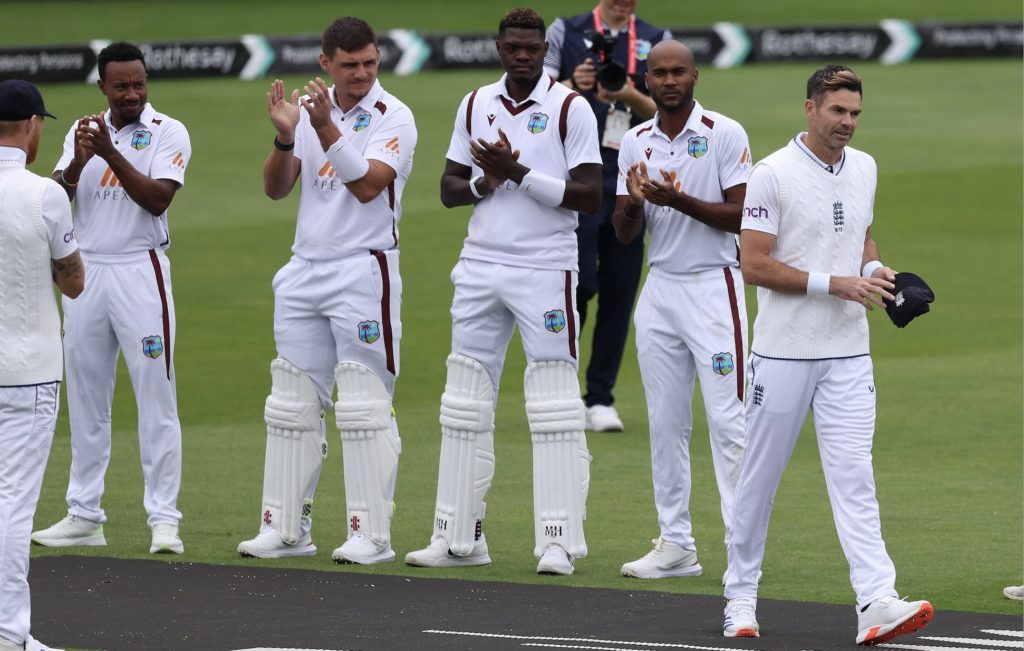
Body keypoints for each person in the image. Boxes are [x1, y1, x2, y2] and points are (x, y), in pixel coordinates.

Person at [722, 65, 934, 645]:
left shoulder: (865, 167)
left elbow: (860, 236)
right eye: (838, 111)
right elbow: (754, 264)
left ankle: (876, 601)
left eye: (856, 113)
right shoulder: (772, 174)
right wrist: (835, 284)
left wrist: (874, 273)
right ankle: (739, 596)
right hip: (784, 352)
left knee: (855, 478)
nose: (848, 123)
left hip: (848, 353)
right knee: (758, 481)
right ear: (810, 109)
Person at [404, 7, 601, 576]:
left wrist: (517, 175)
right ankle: (457, 537)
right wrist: (482, 181)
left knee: (556, 405)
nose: (522, 56)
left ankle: (559, 541)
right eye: (512, 47)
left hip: (545, 267)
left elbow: (588, 195)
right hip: (479, 263)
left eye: (531, 48)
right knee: (463, 400)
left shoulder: (570, 107)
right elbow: (447, 189)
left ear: (544, 50)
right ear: (498, 48)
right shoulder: (475, 104)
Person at [236, 16, 416, 565]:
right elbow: (275, 189)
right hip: (304, 269)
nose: (361, 74)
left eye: (369, 62)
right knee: (291, 404)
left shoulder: (395, 116)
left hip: (363, 271)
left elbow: (366, 186)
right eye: (349, 65)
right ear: (325, 64)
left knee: (363, 405)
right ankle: (287, 530)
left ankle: (371, 534)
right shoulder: (307, 111)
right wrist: (287, 135)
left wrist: (326, 129)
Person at [32, 42, 190, 555]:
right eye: (120, 85)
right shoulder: (82, 131)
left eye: (139, 83)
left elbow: (157, 198)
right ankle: (84, 513)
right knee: (85, 397)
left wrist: (108, 153)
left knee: (156, 397)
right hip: (86, 274)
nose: (132, 94)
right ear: (102, 86)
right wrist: (76, 163)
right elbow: (57, 198)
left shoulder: (168, 131)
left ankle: (164, 520)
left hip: (140, 272)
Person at [611, 41, 750, 580]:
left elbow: (742, 216)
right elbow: (624, 234)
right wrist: (632, 204)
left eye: (678, 73)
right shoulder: (634, 141)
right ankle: (676, 544)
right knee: (665, 424)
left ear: (695, 76)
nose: (669, 81)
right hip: (661, 288)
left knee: (729, 422)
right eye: (659, 74)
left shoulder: (724, 133)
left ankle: (742, 547)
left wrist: (677, 201)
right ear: (646, 79)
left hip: (715, 287)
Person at [544, 0, 671, 432]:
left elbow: (671, 114)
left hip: (631, 179)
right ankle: (561, 389)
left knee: (619, 289)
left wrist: (627, 94)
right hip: (576, 178)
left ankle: (600, 397)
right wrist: (569, 83)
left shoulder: (658, 40)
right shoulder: (566, 30)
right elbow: (535, 105)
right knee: (577, 285)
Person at [0, 79, 84, 651]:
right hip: (26, 373)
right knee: (12, 506)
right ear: (32, 126)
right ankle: (9, 635)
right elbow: (74, 281)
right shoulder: (44, 194)